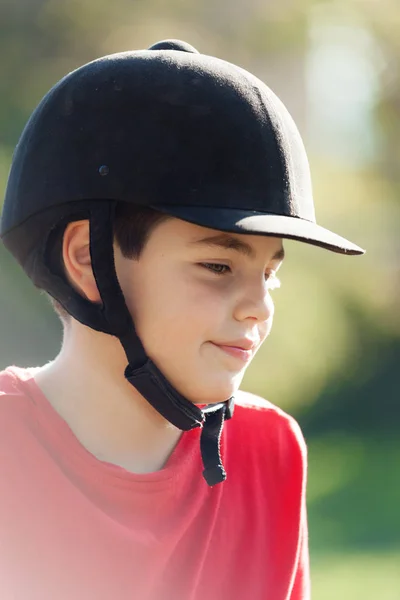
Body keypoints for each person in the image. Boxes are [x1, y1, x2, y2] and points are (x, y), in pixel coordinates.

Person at [0, 39, 364, 599]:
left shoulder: (270, 452)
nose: (260, 306)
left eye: (270, 273)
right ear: (86, 261)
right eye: (218, 265)